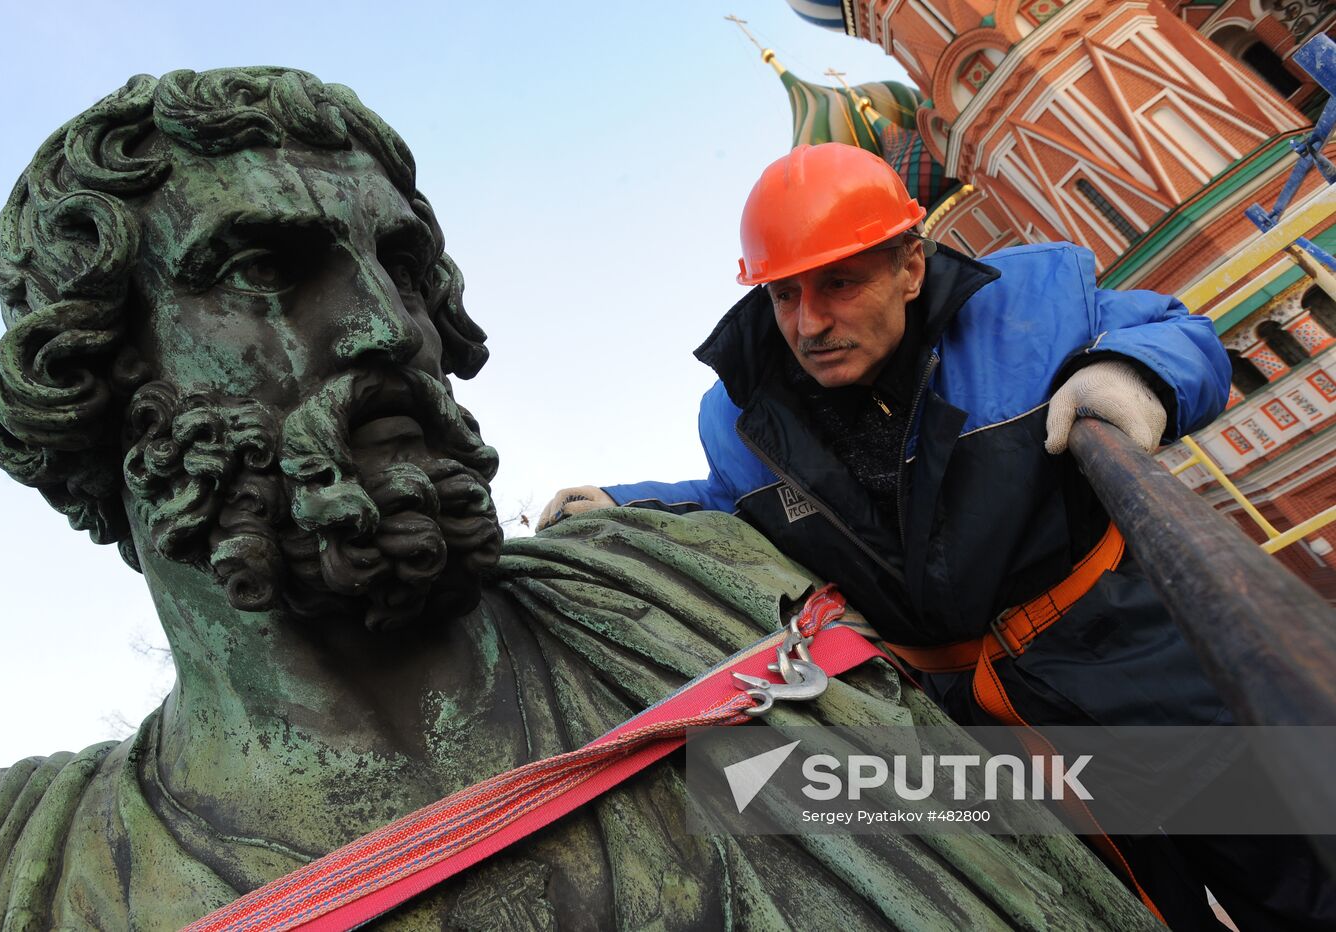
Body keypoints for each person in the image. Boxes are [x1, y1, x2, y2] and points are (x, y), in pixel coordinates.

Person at [0, 70, 1162, 931]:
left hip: (1119, 696)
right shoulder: (8, 873)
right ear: (94, 379)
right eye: (261, 270)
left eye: (405, 269)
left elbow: (962, 821)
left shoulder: (699, 610)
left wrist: (1200, 785)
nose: (382, 325)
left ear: (911, 263)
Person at [540, 142, 1336, 929]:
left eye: (840, 284)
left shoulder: (1026, 307)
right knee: (1130, 914)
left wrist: (1132, 374)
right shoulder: (741, 418)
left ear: (910, 267)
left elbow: (1174, 330)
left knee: (1298, 877)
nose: (809, 323)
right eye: (784, 296)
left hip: (1138, 668)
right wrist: (620, 499)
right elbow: (724, 501)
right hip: (983, 741)